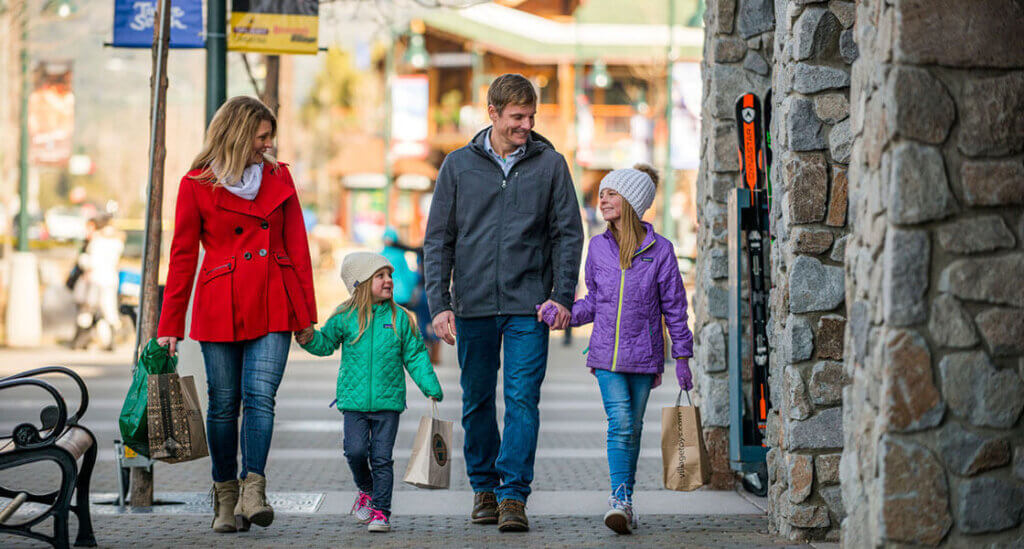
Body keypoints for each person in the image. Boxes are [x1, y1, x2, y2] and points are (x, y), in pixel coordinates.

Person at [424, 73, 584, 532]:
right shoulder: (457, 166)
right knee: (476, 401)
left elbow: (568, 235)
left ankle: (513, 494)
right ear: (492, 113)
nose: (525, 125)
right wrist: (440, 303)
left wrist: (560, 296)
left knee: (521, 400)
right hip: (471, 306)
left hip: (527, 307)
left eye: (531, 116)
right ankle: (484, 488)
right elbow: (439, 241)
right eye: (517, 117)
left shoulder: (551, 165)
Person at [155, 96, 316, 534]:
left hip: (274, 300)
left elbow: (297, 248)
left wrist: (305, 315)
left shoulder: (279, 178)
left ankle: (254, 489)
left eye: (270, 137)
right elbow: (183, 257)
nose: (268, 145)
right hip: (221, 302)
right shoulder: (195, 184)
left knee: (261, 396)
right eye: (261, 137)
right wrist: (169, 326)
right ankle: (225, 495)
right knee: (224, 404)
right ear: (238, 134)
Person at [540, 164, 693, 534]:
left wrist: (683, 356)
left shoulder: (661, 251)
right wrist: (563, 314)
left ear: (631, 202)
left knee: (634, 428)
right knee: (621, 423)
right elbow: (595, 301)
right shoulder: (598, 248)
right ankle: (618, 499)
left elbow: (674, 306)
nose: (602, 199)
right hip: (606, 355)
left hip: (645, 356)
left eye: (611, 194)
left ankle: (626, 501)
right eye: (603, 193)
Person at [294, 252, 443, 533]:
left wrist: (430, 386)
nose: (389, 280)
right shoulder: (344, 316)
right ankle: (366, 489)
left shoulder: (401, 318)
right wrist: (309, 338)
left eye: (389, 275)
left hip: (388, 403)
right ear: (361, 282)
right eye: (381, 276)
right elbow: (326, 344)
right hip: (354, 402)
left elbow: (416, 356)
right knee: (355, 451)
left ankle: (381, 512)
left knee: (382, 458)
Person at [71, 215, 124, 351]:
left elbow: (91, 262)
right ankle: (109, 341)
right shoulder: (116, 243)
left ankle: (81, 340)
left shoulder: (96, 242)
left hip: (96, 280)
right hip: (110, 280)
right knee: (109, 310)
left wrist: (83, 260)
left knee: (88, 310)